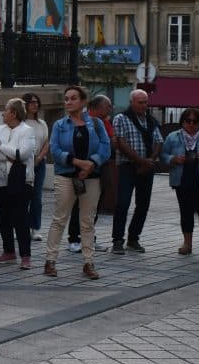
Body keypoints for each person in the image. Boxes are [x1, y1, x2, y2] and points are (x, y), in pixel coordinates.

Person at [44, 86, 109, 280]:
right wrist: (76, 162)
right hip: (66, 176)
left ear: (82, 102)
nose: (68, 102)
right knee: (59, 219)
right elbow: (54, 150)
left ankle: (89, 263)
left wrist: (92, 164)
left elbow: (105, 148)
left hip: (91, 178)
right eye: (66, 99)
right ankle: (50, 260)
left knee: (87, 222)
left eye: (73, 99)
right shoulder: (59, 125)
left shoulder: (96, 124)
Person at [109, 89, 162, 255]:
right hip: (128, 166)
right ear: (131, 102)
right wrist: (142, 161)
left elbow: (159, 141)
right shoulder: (121, 118)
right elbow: (121, 143)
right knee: (123, 203)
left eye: (146, 102)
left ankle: (133, 238)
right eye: (140, 102)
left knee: (143, 205)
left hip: (147, 167)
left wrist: (150, 161)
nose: (144, 106)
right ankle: (117, 240)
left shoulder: (151, 120)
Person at [0, 97, 36, 268]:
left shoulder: (27, 131)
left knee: (20, 219)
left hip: (20, 181)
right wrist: (8, 155)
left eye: (6, 110)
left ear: (13, 113)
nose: (3, 113)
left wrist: (0, 147)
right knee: (3, 218)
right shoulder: (0, 129)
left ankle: (25, 256)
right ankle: (9, 252)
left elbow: (22, 155)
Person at [161, 108, 199, 257]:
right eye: (187, 121)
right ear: (182, 122)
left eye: (194, 121)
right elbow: (163, 154)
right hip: (182, 181)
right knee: (186, 212)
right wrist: (172, 159)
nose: (190, 124)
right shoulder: (173, 137)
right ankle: (187, 243)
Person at [68, 94, 113, 253]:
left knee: (94, 206)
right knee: (79, 205)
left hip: (100, 169)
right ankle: (74, 239)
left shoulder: (104, 122)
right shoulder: (83, 121)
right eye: (107, 106)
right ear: (96, 108)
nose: (110, 109)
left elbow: (108, 144)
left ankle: (89, 238)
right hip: (83, 170)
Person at [23, 93, 49, 242]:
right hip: (23, 163)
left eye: (36, 102)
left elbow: (47, 142)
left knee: (36, 197)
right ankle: (21, 227)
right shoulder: (20, 123)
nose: (35, 105)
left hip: (39, 163)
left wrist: (39, 158)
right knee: (23, 197)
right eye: (31, 102)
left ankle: (35, 228)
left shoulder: (42, 123)